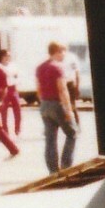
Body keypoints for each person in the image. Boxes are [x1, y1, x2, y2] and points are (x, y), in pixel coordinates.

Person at [36, 42, 77, 174]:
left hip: (44, 104)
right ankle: (66, 166)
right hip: (57, 104)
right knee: (72, 133)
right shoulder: (58, 68)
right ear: (57, 52)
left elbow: (38, 89)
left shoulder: (40, 67)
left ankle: (53, 170)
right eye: (63, 51)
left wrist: (43, 102)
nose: (64, 54)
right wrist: (69, 110)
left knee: (50, 139)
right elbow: (63, 89)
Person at [0, 49, 22, 135]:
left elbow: (16, 76)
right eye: (6, 56)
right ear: (2, 56)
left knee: (17, 109)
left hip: (13, 88)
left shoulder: (13, 66)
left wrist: (12, 77)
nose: (8, 57)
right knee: (4, 110)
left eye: (9, 56)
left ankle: (17, 128)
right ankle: (5, 129)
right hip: (4, 89)